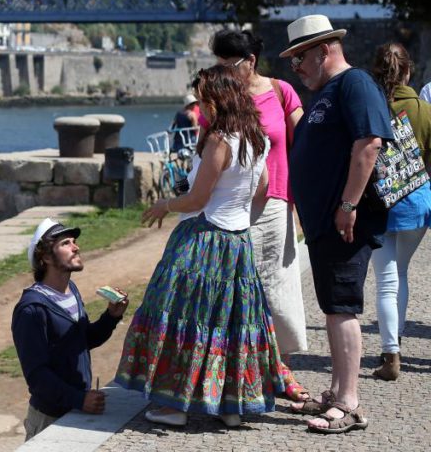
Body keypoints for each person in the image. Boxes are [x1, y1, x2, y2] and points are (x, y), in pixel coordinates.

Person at [115, 65, 303, 429]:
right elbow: (262, 187)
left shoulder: (220, 140)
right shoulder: (257, 138)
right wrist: (237, 203)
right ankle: (231, 406)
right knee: (231, 324)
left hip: (206, 240)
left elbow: (198, 199)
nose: (201, 107)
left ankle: (175, 406)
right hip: (238, 242)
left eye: (205, 100)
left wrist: (164, 205)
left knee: (185, 319)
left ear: (221, 99)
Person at [280, 14, 393, 433]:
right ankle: (336, 389)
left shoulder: (354, 83)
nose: (296, 68)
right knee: (332, 307)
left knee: (343, 308)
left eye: (299, 59)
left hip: (344, 222)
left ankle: (348, 402)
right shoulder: (328, 90)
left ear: (323, 50)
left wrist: (348, 204)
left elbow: (368, 145)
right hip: (326, 222)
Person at [206, 29, 308, 362]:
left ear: (250, 62)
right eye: (217, 63)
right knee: (235, 290)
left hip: (276, 201)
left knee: (277, 288)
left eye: (229, 63)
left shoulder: (281, 91)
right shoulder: (222, 97)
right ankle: (239, 366)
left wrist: (302, 202)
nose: (222, 70)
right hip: (232, 205)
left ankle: (280, 366)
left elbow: (304, 144)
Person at [12, 218, 129, 440]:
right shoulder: (31, 309)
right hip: (50, 418)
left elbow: (82, 341)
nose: (76, 247)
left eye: (74, 241)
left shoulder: (71, 291)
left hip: (77, 409)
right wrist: (79, 399)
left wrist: (111, 316)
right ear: (45, 257)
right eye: (66, 243)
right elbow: (37, 376)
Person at [369, 42, 431, 380]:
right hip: (416, 204)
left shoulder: (370, 106)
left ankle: (390, 352)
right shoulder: (424, 110)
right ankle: (398, 342)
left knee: (385, 282)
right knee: (402, 274)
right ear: (408, 71)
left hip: (380, 204)